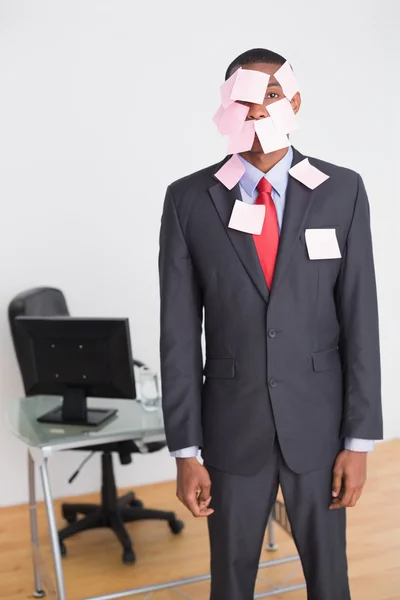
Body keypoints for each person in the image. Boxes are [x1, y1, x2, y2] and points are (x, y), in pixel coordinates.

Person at [158, 47, 383, 600]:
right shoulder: (189, 200)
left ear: (295, 101)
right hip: (232, 433)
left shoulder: (342, 190)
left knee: (331, 582)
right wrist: (186, 452)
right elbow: (179, 334)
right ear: (227, 108)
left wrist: (359, 441)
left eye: (272, 96)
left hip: (320, 430)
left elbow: (361, 318)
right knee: (230, 583)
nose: (257, 113)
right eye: (244, 100)